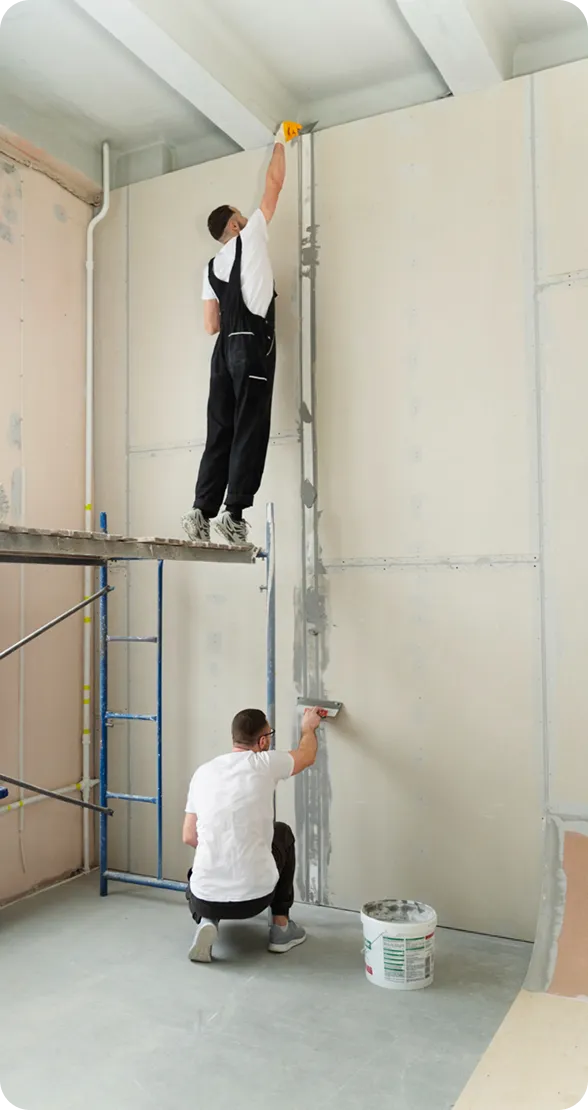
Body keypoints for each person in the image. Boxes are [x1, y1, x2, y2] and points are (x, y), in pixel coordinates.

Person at [182, 122, 294, 548]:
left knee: (220, 430)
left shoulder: (211, 268)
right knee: (250, 426)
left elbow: (211, 325)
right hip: (250, 346)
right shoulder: (252, 236)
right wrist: (281, 141)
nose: (247, 218)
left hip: (222, 354)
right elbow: (274, 185)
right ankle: (233, 514)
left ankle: (200, 511)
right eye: (240, 217)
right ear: (234, 224)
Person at [182, 705, 323, 962]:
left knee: (197, 873)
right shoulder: (265, 763)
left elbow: (189, 836)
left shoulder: (203, 772)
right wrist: (308, 727)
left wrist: (224, 849)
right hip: (256, 898)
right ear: (263, 741)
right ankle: (281, 928)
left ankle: (207, 921)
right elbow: (307, 755)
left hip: (205, 898)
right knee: (282, 833)